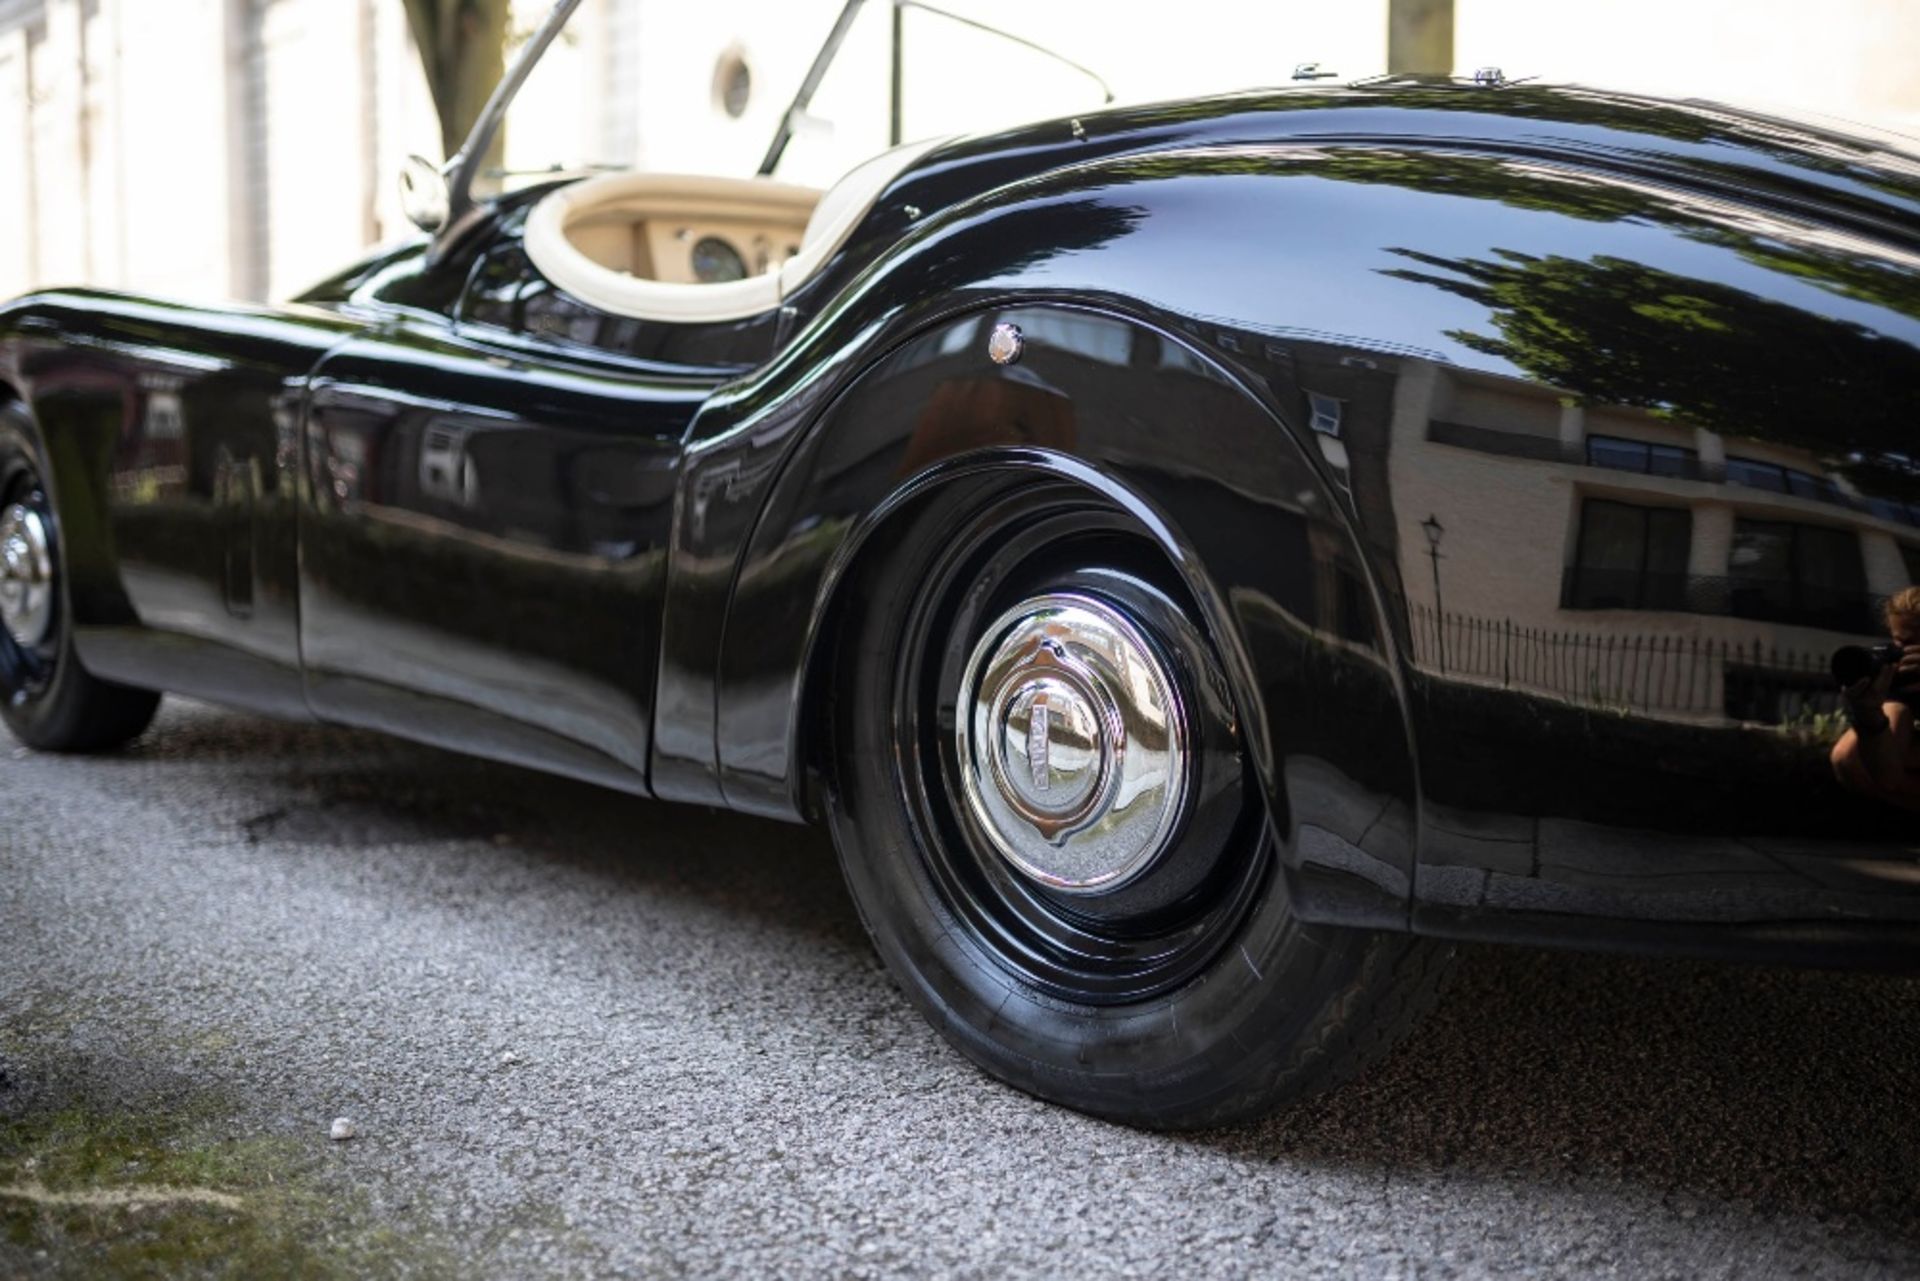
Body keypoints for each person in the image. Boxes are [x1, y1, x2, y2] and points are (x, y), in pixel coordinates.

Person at [1831, 586, 1920, 808]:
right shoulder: (1898, 670)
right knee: (1847, 757)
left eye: (1912, 643)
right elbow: (1887, 777)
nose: (1903, 652)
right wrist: (1867, 713)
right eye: (1899, 642)